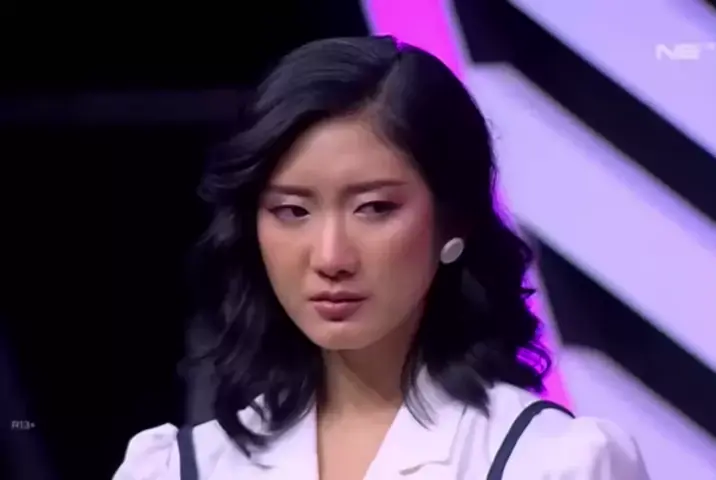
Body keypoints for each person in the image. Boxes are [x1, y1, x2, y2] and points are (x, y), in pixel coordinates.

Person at [113, 36, 650, 480]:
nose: (331, 257)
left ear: (454, 221)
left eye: (374, 208)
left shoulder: (553, 463)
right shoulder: (178, 466)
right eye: (292, 211)